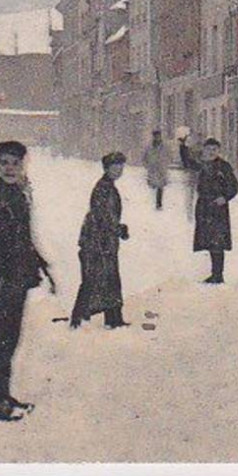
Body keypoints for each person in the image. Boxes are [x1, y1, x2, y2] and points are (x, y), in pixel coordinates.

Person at [0, 140, 54, 421]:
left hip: (18, 277)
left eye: (15, 163)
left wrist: (41, 266)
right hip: (1, 279)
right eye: (5, 163)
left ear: (23, 165)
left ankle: (2, 394)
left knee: (10, 338)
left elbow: (25, 237)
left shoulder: (18, 194)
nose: (10, 168)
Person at [71, 152, 130, 329]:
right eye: (115, 166)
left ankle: (112, 318)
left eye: (121, 166)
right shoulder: (103, 188)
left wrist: (117, 229)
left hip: (103, 239)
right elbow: (102, 216)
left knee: (107, 278)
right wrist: (118, 229)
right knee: (95, 279)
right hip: (98, 241)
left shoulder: (108, 186)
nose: (118, 169)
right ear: (106, 168)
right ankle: (78, 319)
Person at [179, 135, 238, 284]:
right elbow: (187, 162)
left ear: (219, 151)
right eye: (209, 149)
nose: (212, 152)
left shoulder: (224, 166)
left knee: (217, 241)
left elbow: (234, 186)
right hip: (204, 206)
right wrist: (183, 146)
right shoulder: (201, 164)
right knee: (208, 240)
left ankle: (218, 275)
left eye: (215, 149)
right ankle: (215, 273)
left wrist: (225, 197)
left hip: (218, 208)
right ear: (204, 150)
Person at [142, 129, 170, 211]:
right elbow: (144, 157)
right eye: (155, 136)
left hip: (161, 169)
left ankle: (158, 203)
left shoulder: (165, 146)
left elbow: (169, 156)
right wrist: (147, 165)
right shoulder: (149, 147)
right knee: (152, 185)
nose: (157, 137)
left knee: (160, 186)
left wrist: (165, 164)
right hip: (152, 169)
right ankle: (149, 202)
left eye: (158, 136)